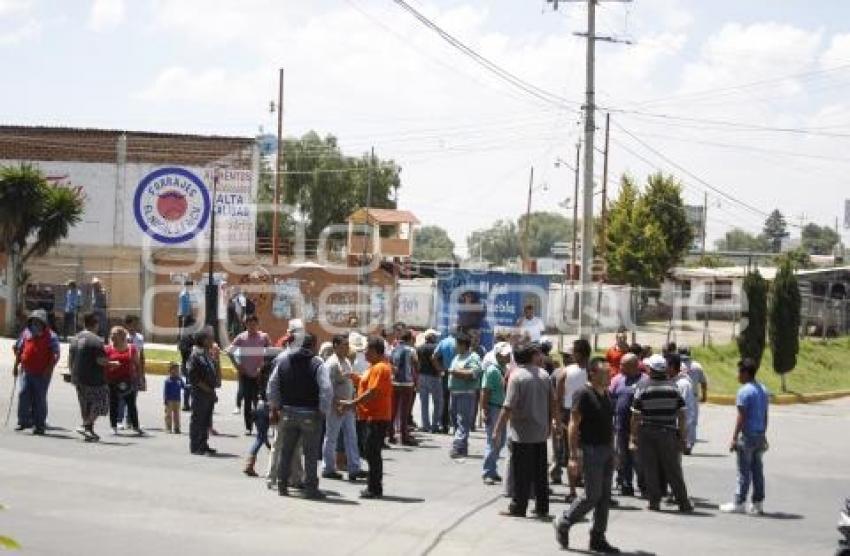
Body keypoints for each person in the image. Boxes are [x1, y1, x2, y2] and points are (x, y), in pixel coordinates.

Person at [554, 357, 619, 553]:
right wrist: (573, 456)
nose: (609, 375)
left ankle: (598, 537)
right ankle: (565, 520)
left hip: (606, 450)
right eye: (605, 373)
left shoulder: (607, 395)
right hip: (590, 450)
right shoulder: (583, 394)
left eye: (609, 372)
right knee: (592, 495)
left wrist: (613, 451)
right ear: (593, 374)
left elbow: (610, 426)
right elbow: (573, 424)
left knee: (605, 497)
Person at [493, 342, 556, 519]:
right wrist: (554, 422)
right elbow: (553, 401)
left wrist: (497, 429)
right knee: (540, 472)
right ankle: (542, 507)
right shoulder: (544, 375)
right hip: (540, 432)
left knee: (521, 472)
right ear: (530, 357)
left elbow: (508, 406)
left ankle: (518, 507)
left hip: (522, 433)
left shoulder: (517, 376)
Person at [267, 333, 332, 499]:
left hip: (288, 412)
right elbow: (326, 389)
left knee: (286, 451)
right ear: (313, 345)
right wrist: (323, 409)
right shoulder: (317, 363)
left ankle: (282, 485)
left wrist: (276, 406)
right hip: (310, 413)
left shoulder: (283, 361)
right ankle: (311, 488)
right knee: (310, 453)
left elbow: (272, 385)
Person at [630, 354, 693, 513]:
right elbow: (682, 414)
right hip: (668, 432)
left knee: (650, 468)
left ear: (650, 369)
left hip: (648, 432)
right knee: (673, 469)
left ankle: (654, 502)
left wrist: (633, 437)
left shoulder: (642, 387)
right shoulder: (673, 387)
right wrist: (683, 437)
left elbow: (636, 415)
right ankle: (683, 502)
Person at [339, 336, 393, 499]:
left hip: (376, 417)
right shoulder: (374, 367)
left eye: (368, 351)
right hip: (371, 416)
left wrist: (352, 403)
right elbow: (365, 382)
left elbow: (373, 391)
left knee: (372, 453)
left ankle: (374, 488)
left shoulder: (381, 368)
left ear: (376, 351)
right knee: (370, 452)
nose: (365, 354)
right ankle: (374, 486)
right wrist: (353, 377)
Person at [720, 358, 769, 515]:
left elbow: (741, 417)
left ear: (746, 373)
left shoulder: (744, 391)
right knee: (757, 471)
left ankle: (739, 502)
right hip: (759, 435)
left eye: (739, 372)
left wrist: (734, 438)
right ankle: (758, 503)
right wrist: (764, 433)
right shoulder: (763, 389)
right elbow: (765, 415)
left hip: (747, 436)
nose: (737, 375)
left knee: (743, 472)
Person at [554, 338, 592, 501]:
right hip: (589, 413)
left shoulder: (565, 372)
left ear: (577, 354)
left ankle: (572, 491)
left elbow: (558, 398)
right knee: (588, 452)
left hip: (570, 414)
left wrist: (556, 419)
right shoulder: (595, 370)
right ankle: (586, 489)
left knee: (572, 453)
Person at [322, 334, 362, 482]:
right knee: (331, 437)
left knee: (351, 437)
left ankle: (354, 468)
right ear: (335, 346)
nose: (346, 348)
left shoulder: (346, 361)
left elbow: (349, 382)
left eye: (347, 345)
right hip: (336, 407)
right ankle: (328, 468)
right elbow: (327, 388)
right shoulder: (331, 364)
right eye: (344, 345)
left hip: (348, 405)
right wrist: (335, 404)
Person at [12, 309, 60, 435]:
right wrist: (16, 365)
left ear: (44, 323)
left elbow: (55, 354)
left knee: (39, 398)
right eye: (33, 321)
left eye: (38, 321)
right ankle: (23, 421)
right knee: (23, 394)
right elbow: (19, 349)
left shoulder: (51, 336)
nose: (35, 323)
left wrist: (49, 369)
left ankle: (39, 425)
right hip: (26, 371)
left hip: (42, 373)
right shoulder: (26, 333)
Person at [69, 312, 113, 442]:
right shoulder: (96, 340)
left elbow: (70, 358)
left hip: (77, 377)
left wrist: (72, 374)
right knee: (102, 401)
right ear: (95, 324)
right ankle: (86, 425)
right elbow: (101, 360)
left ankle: (88, 430)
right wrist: (111, 363)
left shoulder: (76, 338)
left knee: (85, 404)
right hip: (93, 379)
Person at [608, 353, 647, 497]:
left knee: (639, 459)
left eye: (623, 365)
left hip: (639, 428)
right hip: (621, 426)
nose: (620, 367)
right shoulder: (617, 380)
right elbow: (610, 398)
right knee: (623, 457)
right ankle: (626, 484)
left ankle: (644, 486)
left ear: (634, 366)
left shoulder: (645, 381)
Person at [226, 315, 271, 435]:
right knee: (247, 401)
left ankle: (260, 426)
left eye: (254, 324)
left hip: (259, 374)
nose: (252, 327)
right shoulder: (241, 337)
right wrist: (237, 365)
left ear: (258, 324)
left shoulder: (264, 337)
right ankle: (248, 427)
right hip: (245, 374)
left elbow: (269, 355)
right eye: (249, 324)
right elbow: (229, 352)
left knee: (259, 402)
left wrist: (262, 367)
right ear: (246, 325)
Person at [447, 332, 482, 458]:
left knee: (463, 421)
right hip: (454, 393)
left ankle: (457, 447)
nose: (454, 346)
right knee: (456, 421)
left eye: (456, 344)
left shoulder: (473, 357)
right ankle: (463, 448)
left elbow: (474, 373)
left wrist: (457, 372)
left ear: (463, 345)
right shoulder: (457, 357)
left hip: (466, 394)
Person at [105, 326, 144, 436]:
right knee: (113, 404)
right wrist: (110, 365)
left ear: (122, 335)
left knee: (131, 405)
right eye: (111, 334)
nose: (112, 336)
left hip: (128, 381)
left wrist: (140, 379)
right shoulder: (108, 349)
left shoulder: (131, 348)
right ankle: (114, 426)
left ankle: (136, 427)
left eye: (115, 334)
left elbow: (137, 365)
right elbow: (102, 363)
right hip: (112, 381)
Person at [481, 342, 510, 485]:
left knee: (501, 440)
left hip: (501, 408)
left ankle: (492, 469)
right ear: (498, 355)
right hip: (493, 408)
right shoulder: (493, 370)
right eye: (506, 355)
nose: (509, 357)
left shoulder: (504, 369)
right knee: (493, 440)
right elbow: (485, 391)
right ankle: (487, 472)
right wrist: (484, 411)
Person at [187, 329, 219, 456]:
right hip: (200, 393)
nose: (213, 341)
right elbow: (193, 376)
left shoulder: (206, 354)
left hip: (209, 393)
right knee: (198, 420)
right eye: (210, 338)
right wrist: (207, 389)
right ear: (204, 340)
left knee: (206, 420)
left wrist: (212, 392)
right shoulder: (196, 355)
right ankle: (195, 446)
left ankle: (204, 444)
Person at [389, 330, 418, 446]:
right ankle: (404, 436)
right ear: (409, 339)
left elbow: (390, 363)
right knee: (405, 412)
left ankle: (391, 434)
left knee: (393, 410)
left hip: (395, 382)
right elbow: (416, 365)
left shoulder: (394, 349)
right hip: (407, 384)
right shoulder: (411, 350)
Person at [680, 346, 708, 453]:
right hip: (693, 396)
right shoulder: (696, 366)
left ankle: (682, 442)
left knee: (680, 419)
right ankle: (688, 443)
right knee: (692, 420)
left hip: (679, 394)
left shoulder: (676, 365)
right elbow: (704, 382)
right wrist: (704, 395)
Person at [670, 352, 697, 456]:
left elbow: (685, 411)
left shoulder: (683, 384)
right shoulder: (671, 381)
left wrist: (683, 435)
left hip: (676, 432)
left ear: (672, 367)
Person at [416, 329, 442, 434]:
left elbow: (417, 362)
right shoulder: (436, 348)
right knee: (437, 402)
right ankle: (435, 425)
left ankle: (425, 425)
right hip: (434, 377)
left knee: (424, 402)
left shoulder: (419, 348)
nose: (437, 338)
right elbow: (436, 360)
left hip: (422, 376)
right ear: (432, 337)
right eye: (435, 336)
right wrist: (440, 370)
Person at [432, 330, 458, 434]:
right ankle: (456, 425)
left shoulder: (443, 342)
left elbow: (434, 357)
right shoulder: (458, 343)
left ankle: (444, 425)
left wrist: (440, 369)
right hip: (457, 373)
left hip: (446, 373)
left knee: (445, 400)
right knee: (456, 400)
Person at [244, 399, 272, 477]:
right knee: (260, 438)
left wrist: (268, 445)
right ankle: (249, 465)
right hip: (267, 406)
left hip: (260, 406)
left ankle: (249, 465)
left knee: (261, 437)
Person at [163, 362, 184, 434]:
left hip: (177, 400)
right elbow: (165, 391)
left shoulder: (179, 379)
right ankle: (168, 428)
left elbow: (183, 387)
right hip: (169, 400)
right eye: (175, 370)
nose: (177, 371)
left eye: (178, 370)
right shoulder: (168, 380)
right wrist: (165, 400)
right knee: (168, 415)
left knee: (177, 415)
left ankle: (177, 428)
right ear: (170, 370)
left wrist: (191, 386)